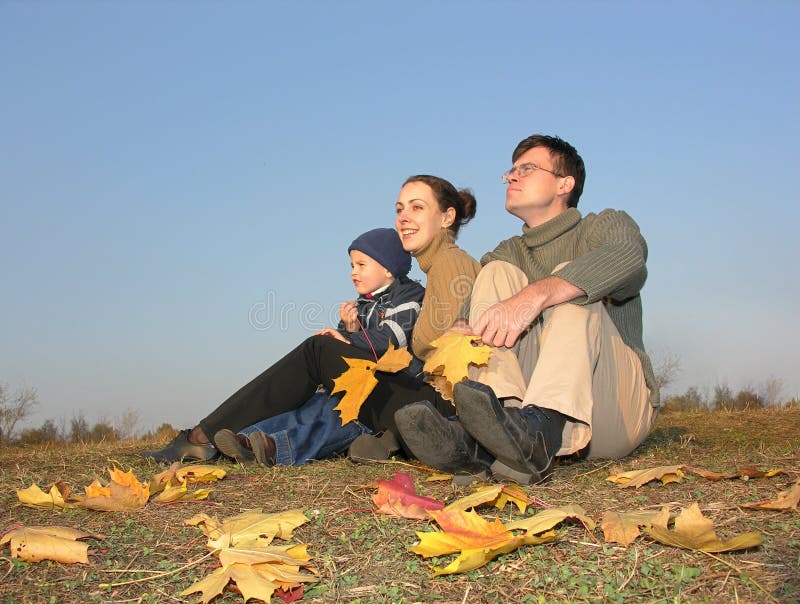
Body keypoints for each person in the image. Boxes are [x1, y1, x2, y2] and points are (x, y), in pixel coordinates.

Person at [141, 175, 479, 464]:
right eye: (399, 209)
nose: (403, 217)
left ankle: (203, 437)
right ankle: (244, 438)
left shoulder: (449, 263)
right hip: (420, 397)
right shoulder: (435, 270)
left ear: (447, 217)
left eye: (417, 207)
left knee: (318, 351)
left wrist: (353, 341)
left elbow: (432, 345)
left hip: (436, 407)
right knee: (326, 395)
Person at [395, 135, 659, 485]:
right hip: (528, 409)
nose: (512, 177)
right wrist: (463, 325)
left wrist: (537, 294)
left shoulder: (603, 225)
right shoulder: (508, 252)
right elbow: (476, 309)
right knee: (495, 273)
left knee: (568, 286)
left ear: (565, 183)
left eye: (528, 169)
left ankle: (540, 430)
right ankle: (495, 430)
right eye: (512, 170)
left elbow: (629, 257)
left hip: (613, 409)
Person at [210, 227, 426, 465]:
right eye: (351, 266)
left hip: (387, 392)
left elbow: (392, 338)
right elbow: (349, 346)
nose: (353, 272)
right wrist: (348, 329)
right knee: (312, 406)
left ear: (387, 268)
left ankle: (277, 449)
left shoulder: (409, 297)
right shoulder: (361, 305)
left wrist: (348, 339)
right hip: (356, 383)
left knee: (334, 419)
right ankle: (248, 438)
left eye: (361, 265)